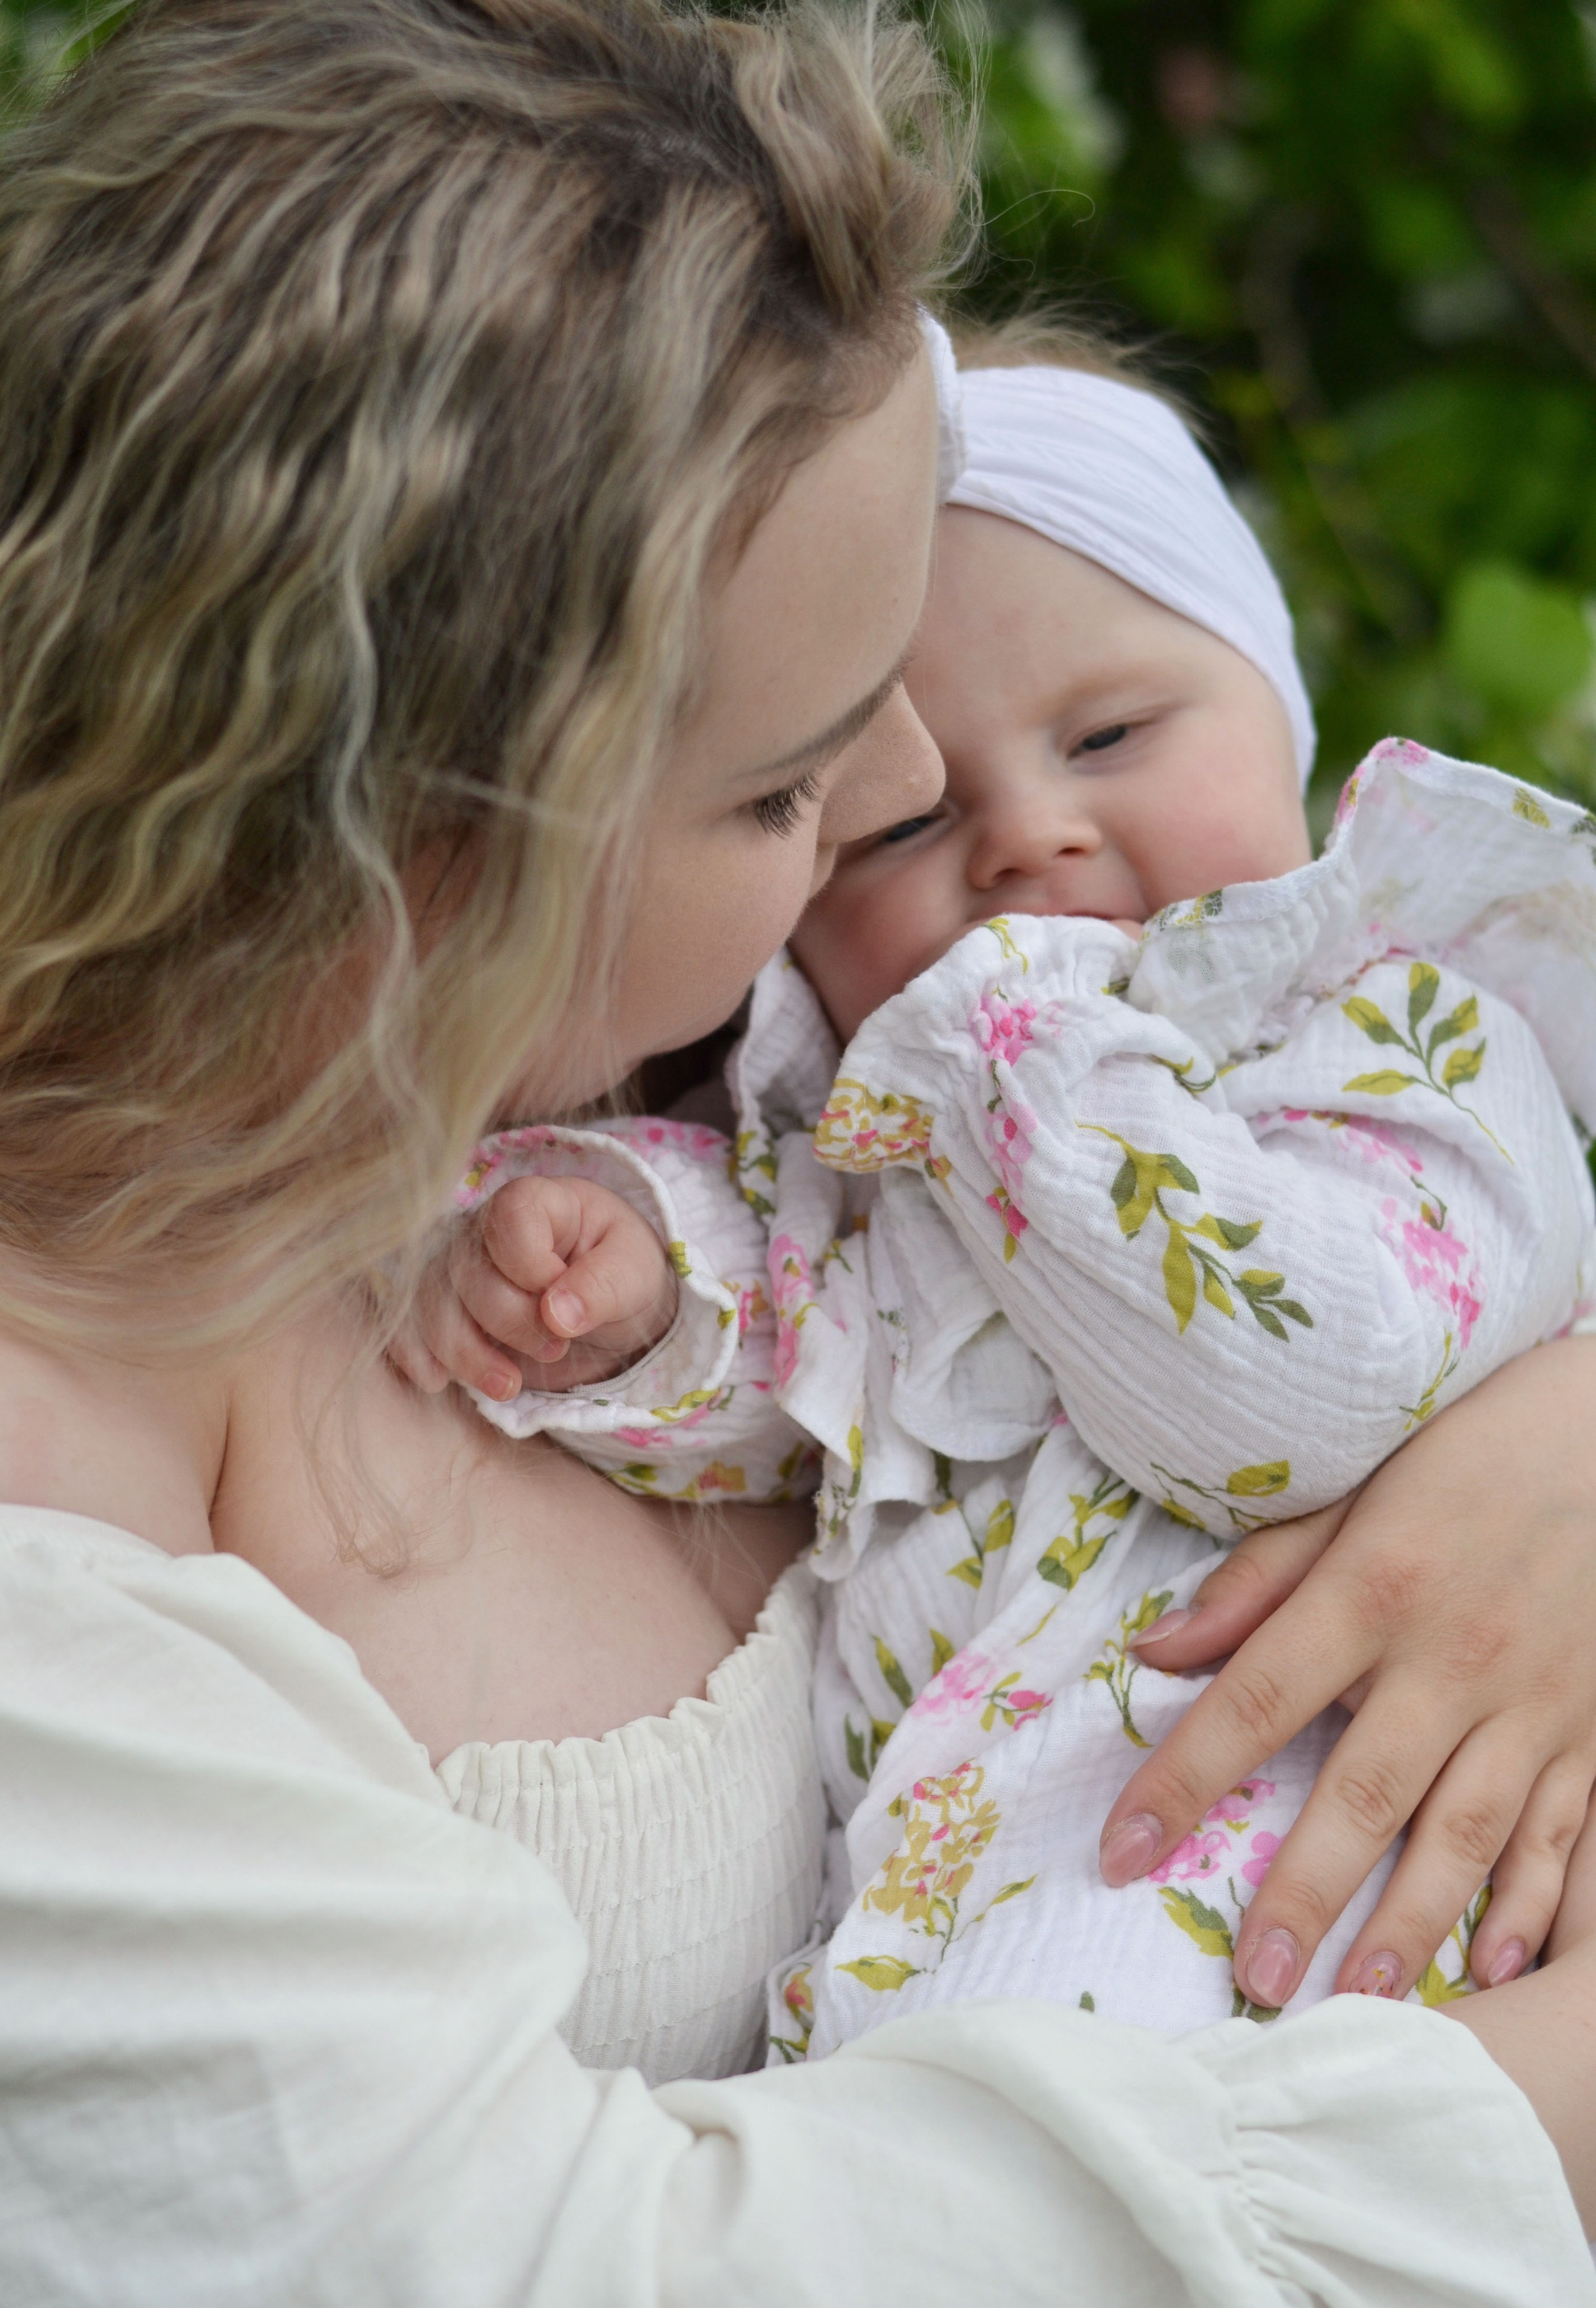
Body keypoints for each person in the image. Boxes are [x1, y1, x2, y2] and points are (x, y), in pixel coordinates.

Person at [0, 3, 1596, 2308]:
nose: (922, 790)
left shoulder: (666, 1090)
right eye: (782, 783)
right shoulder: (58, 1550)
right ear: (423, 850)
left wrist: (1551, 1428)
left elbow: (1350, 1184)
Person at [427, 346, 1596, 2041]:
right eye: (896, 832)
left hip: (1271, 1930)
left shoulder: (1398, 1037)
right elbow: (799, 1369)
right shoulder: (893, 1148)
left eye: (1111, 734)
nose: (1026, 839)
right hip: (927, 1964)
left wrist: (993, 1023)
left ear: (1286, 713)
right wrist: (626, 1290)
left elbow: (1279, 1392)